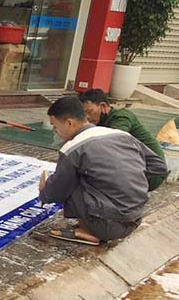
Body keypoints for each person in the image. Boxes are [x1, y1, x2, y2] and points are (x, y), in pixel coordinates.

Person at [39, 96, 167, 245]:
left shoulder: (73, 148)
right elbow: (159, 166)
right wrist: (129, 176)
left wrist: (45, 190)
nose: (55, 132)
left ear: (69, 123)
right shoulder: (121, 135)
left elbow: (57, 192)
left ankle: (88, 230)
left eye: (55, 126)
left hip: (106, 226)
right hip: (135, 218)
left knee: (71, 180)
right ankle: (95, 225)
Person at [78, 88, 167, 191]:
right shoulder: (101, 122)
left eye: (90, 111)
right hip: (136, 166)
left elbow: (114, 142)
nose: (87, 117)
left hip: (152, 171)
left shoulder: (121, 117)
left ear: (103, 106)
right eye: (84, 114)